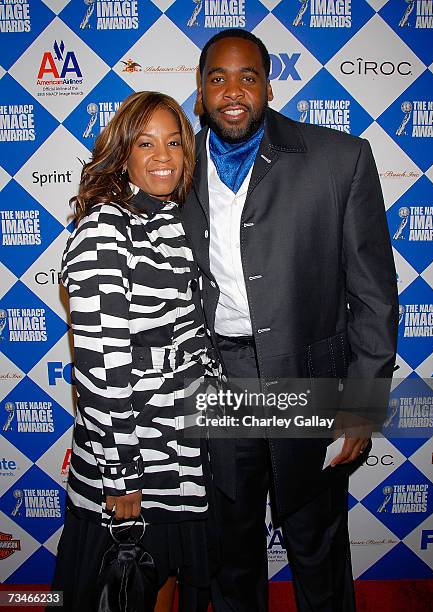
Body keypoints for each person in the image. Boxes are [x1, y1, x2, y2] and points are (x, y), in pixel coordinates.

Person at [181, 29, 399, 612]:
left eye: (247, 77)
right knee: (232, 548)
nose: (233, 91)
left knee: (316, 543)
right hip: (218, 381)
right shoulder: (171, 168)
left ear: (268, 87)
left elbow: (374, 296)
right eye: (217, 78)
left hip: (310, 381)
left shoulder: (340, 159)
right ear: (199, 91)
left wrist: (360, 403)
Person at [51, 91, 215, 612]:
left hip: (181, 447)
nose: (163, 157)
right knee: (125, 587)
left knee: (161, 580)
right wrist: (122, 478)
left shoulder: (171, 220)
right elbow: (101, 372)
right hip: (134, 452)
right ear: (123, 155)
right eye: (146, 144)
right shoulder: (104, 230)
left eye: (174, 143)